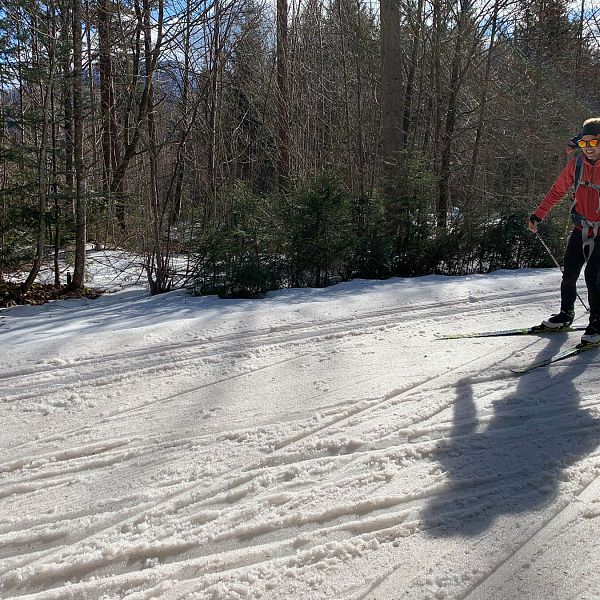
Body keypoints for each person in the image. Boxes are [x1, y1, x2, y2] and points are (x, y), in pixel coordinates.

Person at [528, 118, 600, 344]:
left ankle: (597, 323)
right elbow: (558, 189)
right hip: (581, 226)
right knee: (569, 273)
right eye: (584, 144)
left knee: (593, 276)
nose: (589, 148)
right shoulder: (577, 164)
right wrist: (538, 214)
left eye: (594, 143)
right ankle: (566, 314)